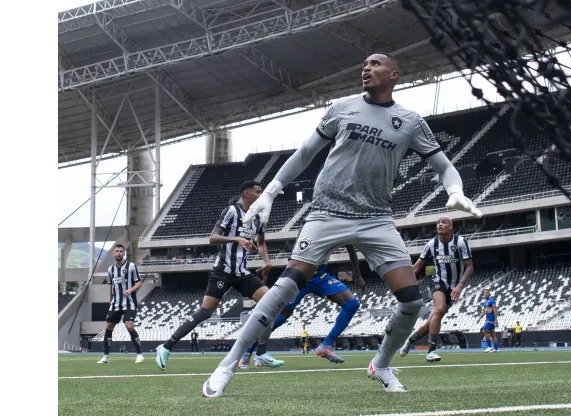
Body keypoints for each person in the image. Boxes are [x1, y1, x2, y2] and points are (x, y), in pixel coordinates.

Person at [202, 52, 481, 397]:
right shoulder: (341, 107)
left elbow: (444, 165)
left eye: (375, 63)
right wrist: (271, 191)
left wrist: (455, 189)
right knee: (285, 287)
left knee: (411, 301)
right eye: (363, 63)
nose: (366, 67)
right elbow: (305, 153)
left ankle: (381, 364)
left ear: (394, 74)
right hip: (326, 213)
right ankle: (227, 365)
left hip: (377, 218)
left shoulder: (409, 121)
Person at [155, 181, 275, 370]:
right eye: (258, 192)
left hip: (242, 273)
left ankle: (261, 354)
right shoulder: (232, 211)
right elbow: (213, 237)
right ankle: (166, 346)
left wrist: (267, 262)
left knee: (271, 304)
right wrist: (236, 238)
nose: (261, 196)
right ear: (246, 194)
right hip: (223, 271)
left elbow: (261, 243)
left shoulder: (259, 218)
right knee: (206, 312)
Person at [239, 247, 365, 368]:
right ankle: (248, 351)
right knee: (280, 316)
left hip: (320, 276)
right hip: (299, 276)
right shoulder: (311, 227)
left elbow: (351, 249)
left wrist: (358, 275)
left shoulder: (340, 229)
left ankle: (326, 345)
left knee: (352, 304)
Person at [399, 216, 474, 363]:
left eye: (444, 222)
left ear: (451, 226)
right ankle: (431, 351)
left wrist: (459, 286)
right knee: (438, 309)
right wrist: (402, 284)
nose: (440, 224)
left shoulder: (460, 242)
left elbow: (470, 267)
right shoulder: (431, 244)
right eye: (438, 223)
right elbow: (417, 267)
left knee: (430, 322)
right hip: (437, 281)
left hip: (454, 286)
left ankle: (410, 340)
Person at [97, 244, 144, 364]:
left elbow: (139, 283)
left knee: (129, 325)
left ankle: (139, 354)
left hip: (129, 303)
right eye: (116, 251)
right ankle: (106, 356)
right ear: (113, 253)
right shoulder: (110, 269)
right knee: (108, 327)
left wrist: (130, 291)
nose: (118, 253)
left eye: (121, 251)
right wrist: (110, 300)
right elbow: (111, 287)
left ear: (124, 253)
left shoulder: (131, 266)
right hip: (115, 304)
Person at [478, 288, 498, 352]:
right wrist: (479, 318)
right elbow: (484, 311)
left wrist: (496, 319)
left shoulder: (491, 301)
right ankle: (496, 348)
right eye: (484, 292)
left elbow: (495, 310)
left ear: (489, 293)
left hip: (490, 319)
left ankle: (489, 347)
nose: (485, 293)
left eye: (486, 292)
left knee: (484, 331)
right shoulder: (485, 302)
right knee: (492, 334)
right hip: (488, 319)